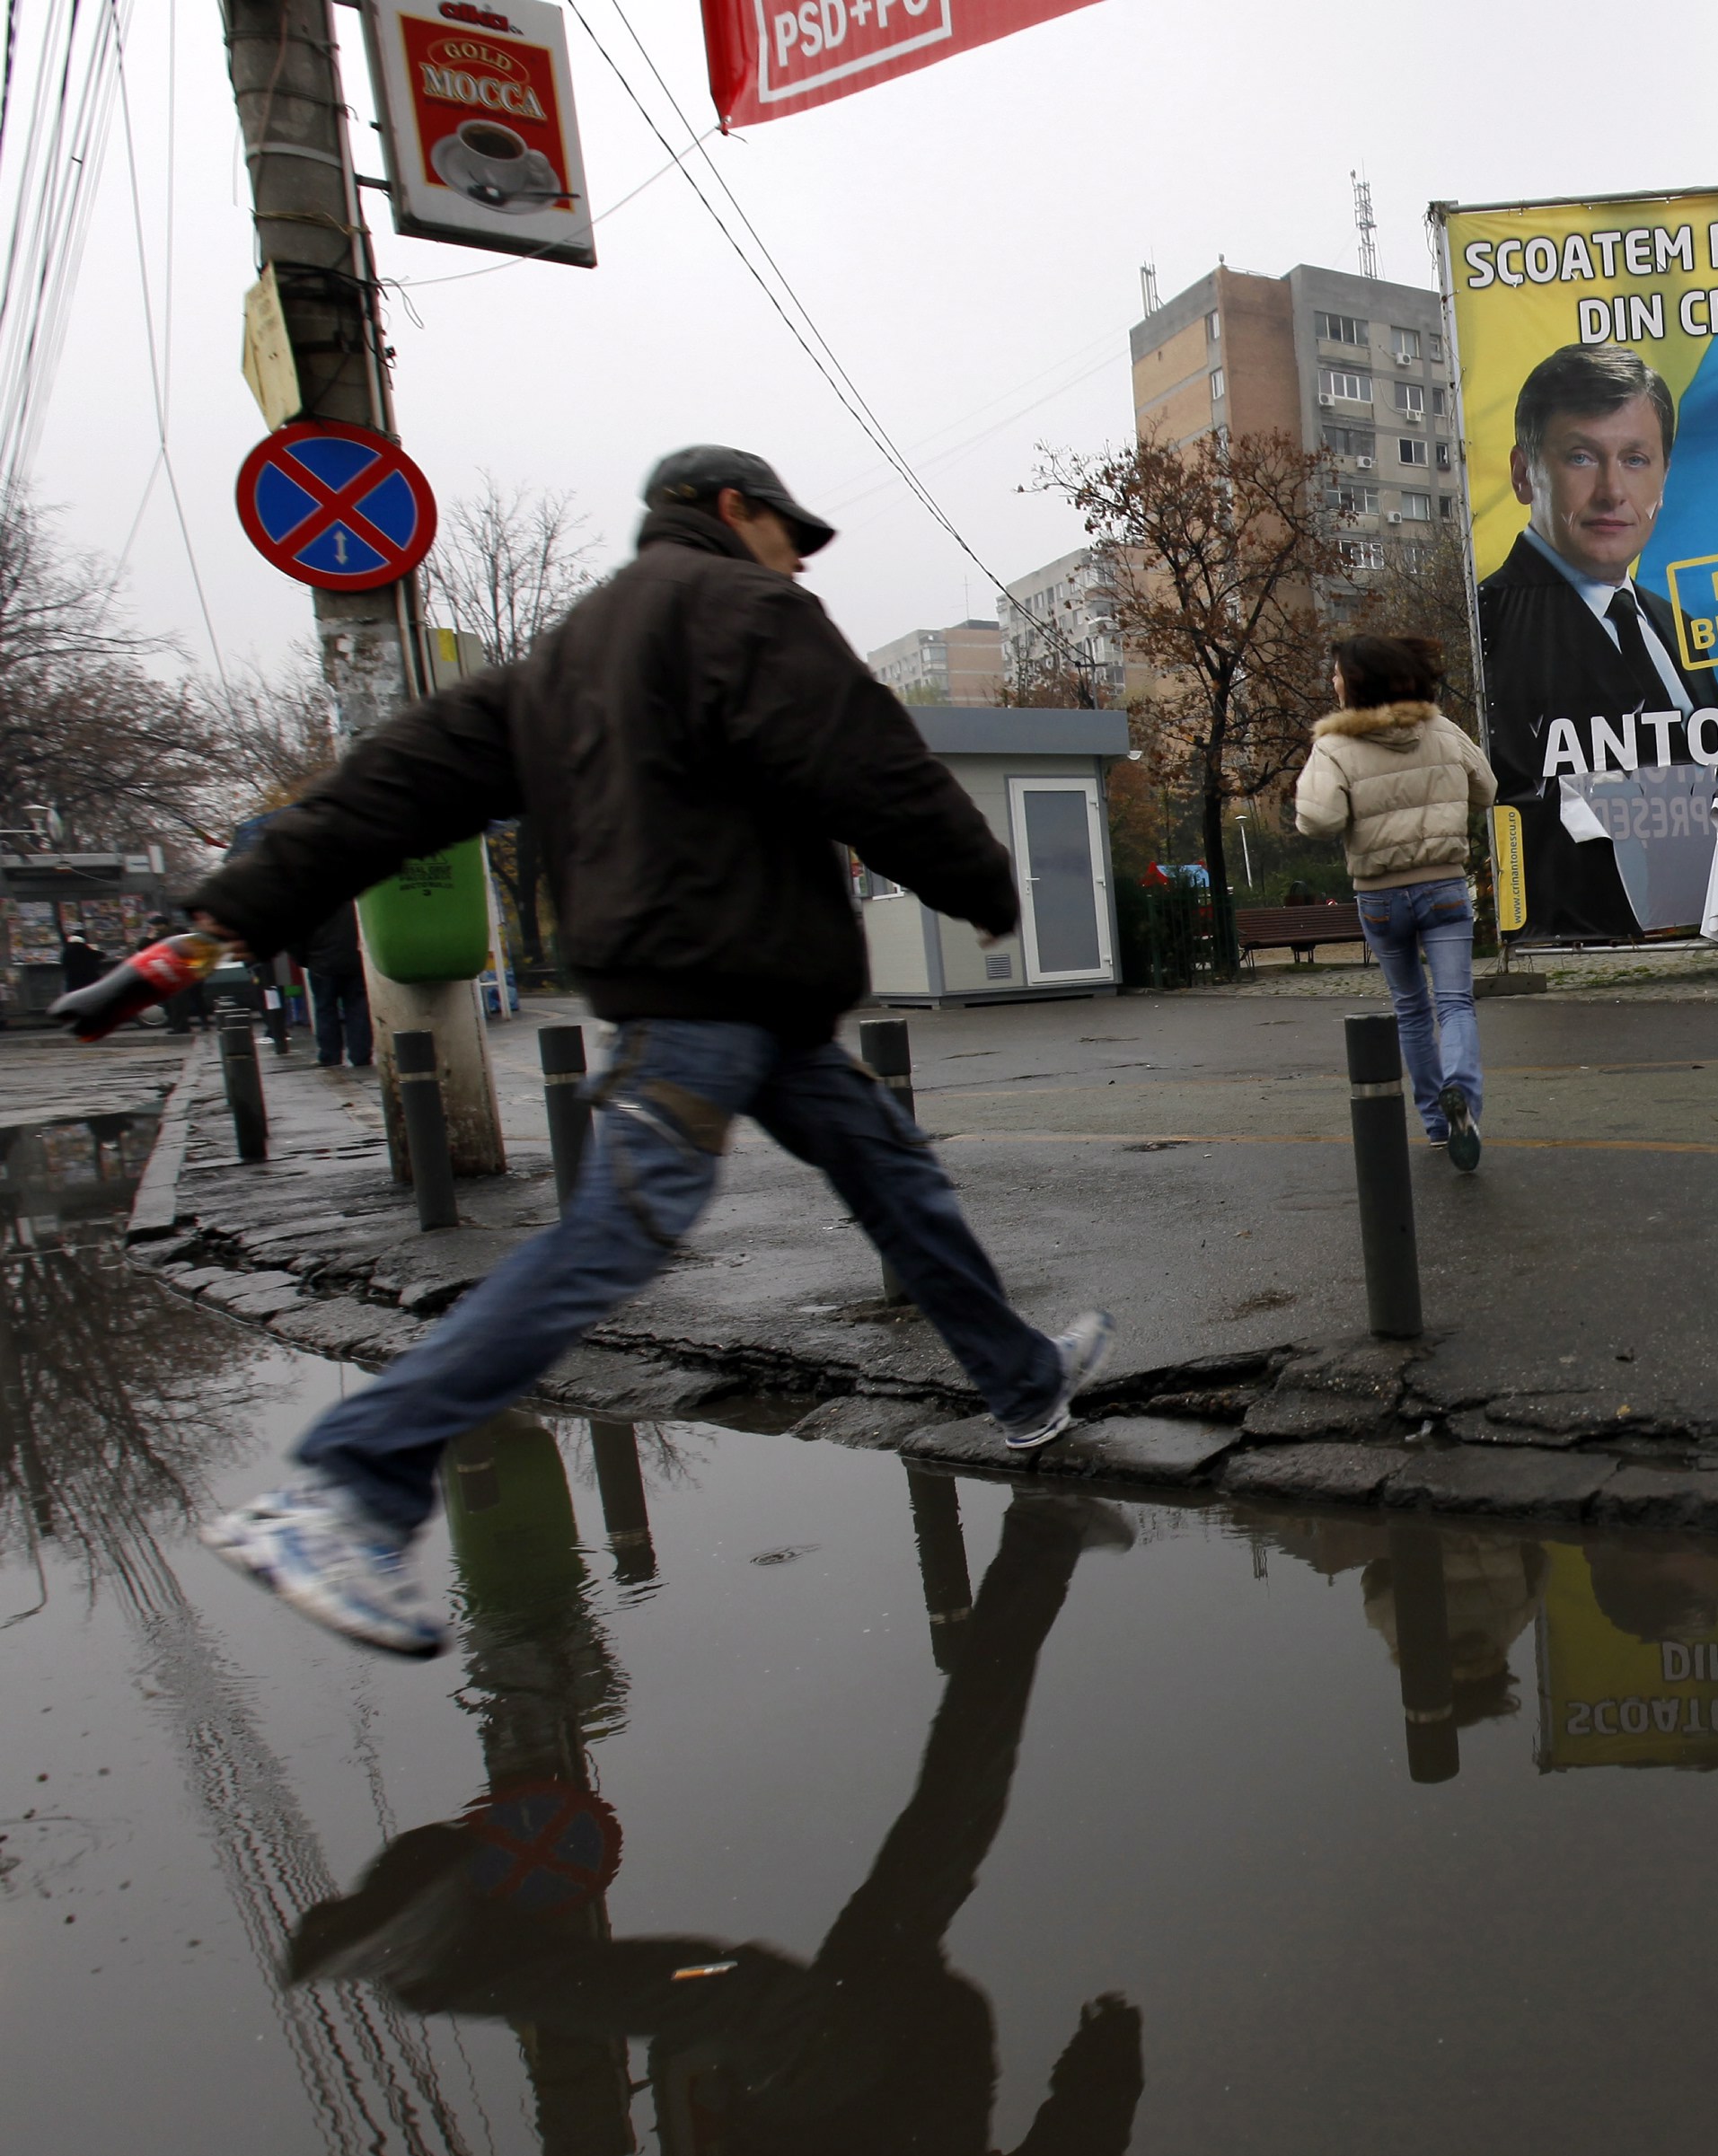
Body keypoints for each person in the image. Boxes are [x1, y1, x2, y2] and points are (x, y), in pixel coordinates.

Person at [182, 444, 1114, 1660]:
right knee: (617, 1231)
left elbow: (394, 783)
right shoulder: (744, 606)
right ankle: (347, 1487)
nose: (799, 554)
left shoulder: (566, 657)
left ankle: (1023, 1379)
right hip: (712, 991)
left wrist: (235, 905)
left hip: (750, 995)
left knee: (894, 1173)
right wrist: (981, 877)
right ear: (735, 510)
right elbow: (865, 754)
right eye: (792, 530)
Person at [262, 1490, 1148, 2156]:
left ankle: (449, 1971)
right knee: (946, 1819)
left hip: (856, 2076)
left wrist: (1106, 2066)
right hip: (871, 2054)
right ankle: (1043, 1541)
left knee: (773, 1977)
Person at [1472, 341, 1718, 939]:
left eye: (1635, 458)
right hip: (1588, 956)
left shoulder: (1673, 625)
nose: (1611, 491)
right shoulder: (1490, 624)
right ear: (1524, 474)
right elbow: (1519, 804)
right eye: (1581, 456)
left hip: (1710, 952)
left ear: (1664, 475)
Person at [1294, 631, 1497, 1172]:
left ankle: (1435, 1122)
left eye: (1336, 671)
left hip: (1380, 896)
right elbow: (1487, 789)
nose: (1333, 680)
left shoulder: (1332, 747)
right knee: (1455, 1002)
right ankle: (1463, 1098)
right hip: (1444, 887)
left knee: (1411, 1008)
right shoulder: (1439, 727)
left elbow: (1318, 819)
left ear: (1357, 682)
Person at [298, 898, 371, 1067]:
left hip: (321, 964)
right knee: (357, 1008)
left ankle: (330, 1055)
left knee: (325, 1009)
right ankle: (361, 1055)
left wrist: (305, 960)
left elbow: (295, 938)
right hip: (352, 961)